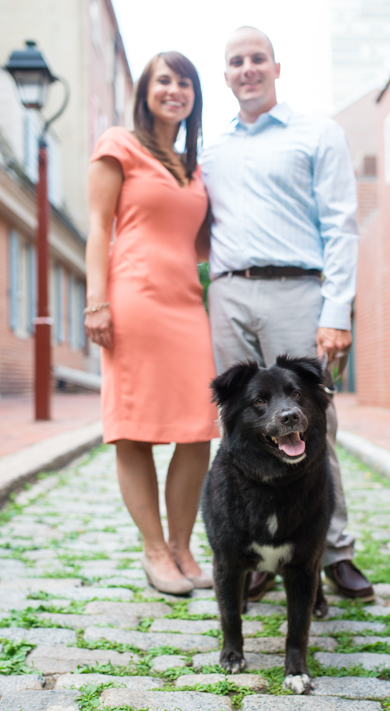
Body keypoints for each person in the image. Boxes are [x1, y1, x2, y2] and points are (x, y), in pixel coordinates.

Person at [200, 27, 373, 602]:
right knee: (241, 422)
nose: (246, 68)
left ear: (276, 66)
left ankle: (333, 550)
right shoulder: (210, 147)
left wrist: (337, 309)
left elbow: (341, 226)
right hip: (227, 291)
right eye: (235, 61)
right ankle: (258, 550)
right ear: (225, 75)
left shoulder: (317, 133)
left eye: (256, 58)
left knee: (313, 422)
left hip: (296, 289)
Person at [85, 52, 218, 596]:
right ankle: (154, 550)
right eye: (164, 80)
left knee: (197, 430)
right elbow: (97, 223)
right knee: (134, 430)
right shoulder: (120, 144)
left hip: (188, 306)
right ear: (145, 91)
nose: (174, 90)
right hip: (133, 299)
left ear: (193, 97)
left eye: (184, 82)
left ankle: (184, 546)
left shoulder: (194, 165)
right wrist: (97, 300)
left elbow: (204, 241)